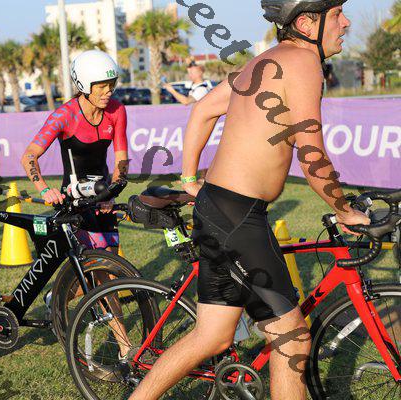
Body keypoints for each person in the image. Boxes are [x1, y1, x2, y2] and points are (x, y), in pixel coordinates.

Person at [129, 1, 370, 400]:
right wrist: (344, 210)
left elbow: (203, 110)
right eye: (337, 13)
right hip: (237, 215)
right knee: (292, 338)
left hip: (219, 206)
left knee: (212, 336)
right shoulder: (303, 62)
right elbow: (311, 153)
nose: (346, 22)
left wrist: (190, 180)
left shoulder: (262, 62)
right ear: (306, 22)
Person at [21, 50, 129, 253]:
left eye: (111, 84)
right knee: (94, 262)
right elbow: (29, 156)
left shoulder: (117, 111)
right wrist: (44, 189)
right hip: (74, 198)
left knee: (113, 262)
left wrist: (112, 192)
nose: (108, 91)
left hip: (103, 195)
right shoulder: (64, 115)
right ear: (84, 85)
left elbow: (121, 160)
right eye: (102, 86)